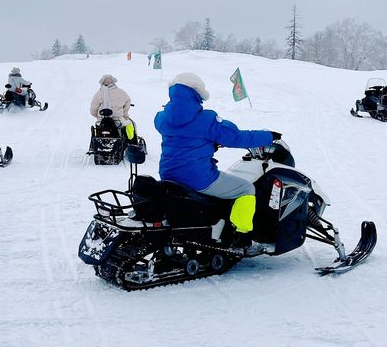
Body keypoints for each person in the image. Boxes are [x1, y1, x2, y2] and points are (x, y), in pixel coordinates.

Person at [154, 72, 280, 249]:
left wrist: (208, 145)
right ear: (196, 93)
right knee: (246, 189)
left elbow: (182, 138)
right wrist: (268, 137)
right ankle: (241, 235)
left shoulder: (162, 118)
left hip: (168, 175)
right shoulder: (206, 120)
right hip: (198, 178)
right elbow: (235, 137)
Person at [90, 75, 135, 142]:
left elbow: (93, 110)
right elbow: (128, 101)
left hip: (102, 121)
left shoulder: (99, 94)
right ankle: (131, 141)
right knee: (129, 124)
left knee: (97, 127)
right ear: (113, 82)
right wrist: (124, 113)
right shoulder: (121, 92)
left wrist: (99, 117)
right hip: (118, 120)